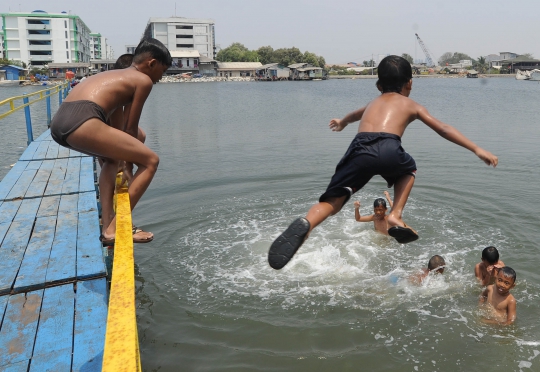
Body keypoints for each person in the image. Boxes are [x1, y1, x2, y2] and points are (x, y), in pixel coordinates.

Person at [268, 55, 498, 270]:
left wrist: (342, 122)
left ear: (378, 85)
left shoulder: (372, 103)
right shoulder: (412, 105)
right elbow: (444, 129)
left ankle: (307, 224)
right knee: (408, 170)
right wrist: (476, 148)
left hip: (360, 149)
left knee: (334, 201)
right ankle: (396, 214)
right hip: (389, 147)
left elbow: (353, 115)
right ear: (410, 83)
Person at [49, 38, 171, 245]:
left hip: (59, 123)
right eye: (163, 70)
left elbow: (115, 127)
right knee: (151, 161)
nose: (161, 77)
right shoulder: (143, 80)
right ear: (151, 64)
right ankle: (117, 226)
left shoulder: (112, 74)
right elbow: (131, 129)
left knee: (111, 159)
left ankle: (108, 228)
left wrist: (121, 160)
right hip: (83, 120)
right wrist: (131, 169)